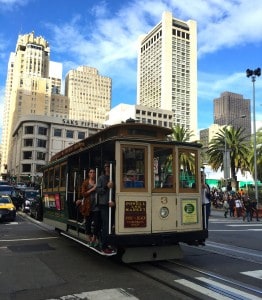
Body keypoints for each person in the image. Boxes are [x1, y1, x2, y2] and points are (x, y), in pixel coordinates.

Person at [96, 162, 115, 254]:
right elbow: (98, 191)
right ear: (104, 168)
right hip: (104, 204)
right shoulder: (101, 178)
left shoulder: (114, 177)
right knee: (106, 224)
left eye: (109, 166)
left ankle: (110, 243)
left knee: (112, 225)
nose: (108, 168)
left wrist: (114, 201)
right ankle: (104, 246)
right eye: (106, 166)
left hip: (112, 204)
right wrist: (106, 187)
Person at [81, 168, 100, 246]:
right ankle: (89, 239)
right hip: (88, 206)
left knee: (97, 223)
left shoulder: (97, 182)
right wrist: (93, 189)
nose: (92, 173)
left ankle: (94, 239)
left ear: (95, 174)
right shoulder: (85, 182)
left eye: (93, 172)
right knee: (88, 223)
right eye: (91, 172)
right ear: (88, 174)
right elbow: (83, 194)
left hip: (96, 206)